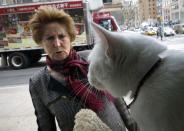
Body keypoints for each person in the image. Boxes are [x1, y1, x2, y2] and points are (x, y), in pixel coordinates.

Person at [28, 6, 126, 131]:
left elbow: (117, 98)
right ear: (41, 42)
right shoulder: (38, 83)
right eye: (50, 38)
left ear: (70, 37)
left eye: (62, 36)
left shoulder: (92, 59)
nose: (57, 44)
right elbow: (45, 127)